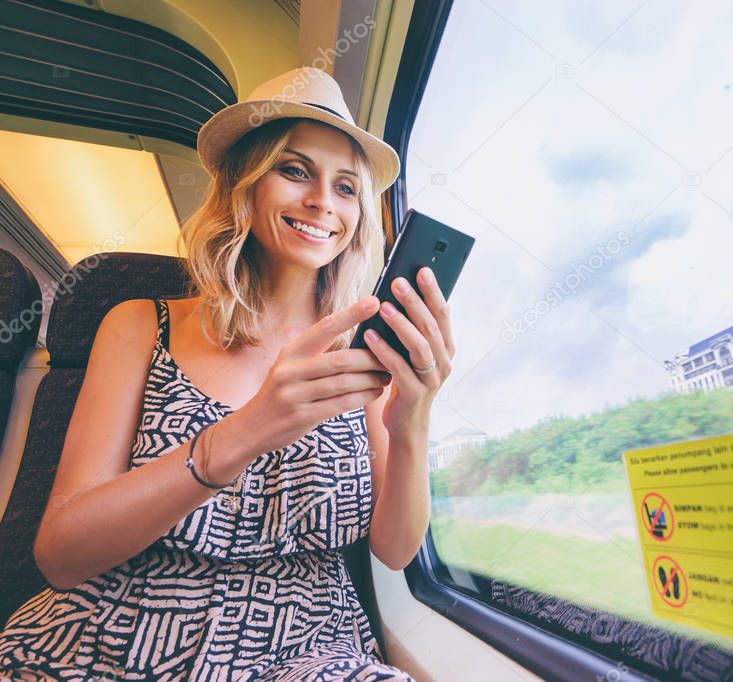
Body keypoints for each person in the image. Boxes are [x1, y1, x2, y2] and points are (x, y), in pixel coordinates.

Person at [0, 66, 449, 680]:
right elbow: (60, 556)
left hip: (304, 650)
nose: (322, 200)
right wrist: (246, 431)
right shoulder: (139, 324)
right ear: (246, 184)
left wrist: (413, 419)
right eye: (294, 171)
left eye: (346, 187)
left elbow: (395, 550)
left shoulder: (359, 357)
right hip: (113, 635)